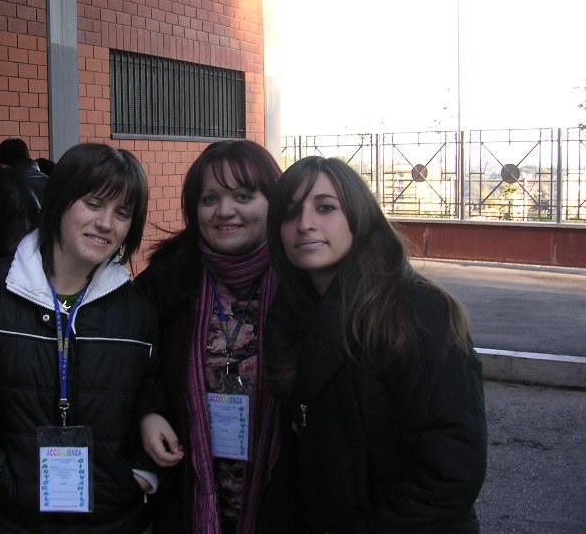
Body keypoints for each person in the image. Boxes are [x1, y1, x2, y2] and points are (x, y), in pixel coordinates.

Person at [0, 143, 164, 533]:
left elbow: (159, 390)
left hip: (114, 516)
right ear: (58, 201)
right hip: (11, 516)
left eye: (122, 213)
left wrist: (143, 471)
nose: (106, 223)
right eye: (94, 204)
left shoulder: (138, 308)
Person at [261, 156, 487, 533]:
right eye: (289, 213)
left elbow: (451, 468)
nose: (304, 224)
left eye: (325, 208)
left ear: (359, 215)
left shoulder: (416, 312)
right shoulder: (289, 316)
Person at [136, 140, 283, 534]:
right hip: (187, 494)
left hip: (281, 500)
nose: (224, 211)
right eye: (210, 199)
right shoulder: (166, 281)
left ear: (274, 201)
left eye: (243, 196)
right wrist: (149, 412)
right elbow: (133, 366)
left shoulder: (301, 283)